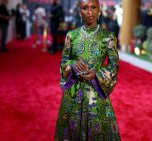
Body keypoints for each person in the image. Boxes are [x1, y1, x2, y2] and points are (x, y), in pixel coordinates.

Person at [54, 0, 121, 140]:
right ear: (80, 12)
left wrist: (97, 74)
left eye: (93, 7)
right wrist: (71, 65)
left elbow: (114, 65)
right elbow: (63, 62)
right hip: (73, 94)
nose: (89, 12)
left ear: (99, 11)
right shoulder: (71, 36)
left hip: (95, 94)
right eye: (85, 8)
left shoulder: (108, 37)